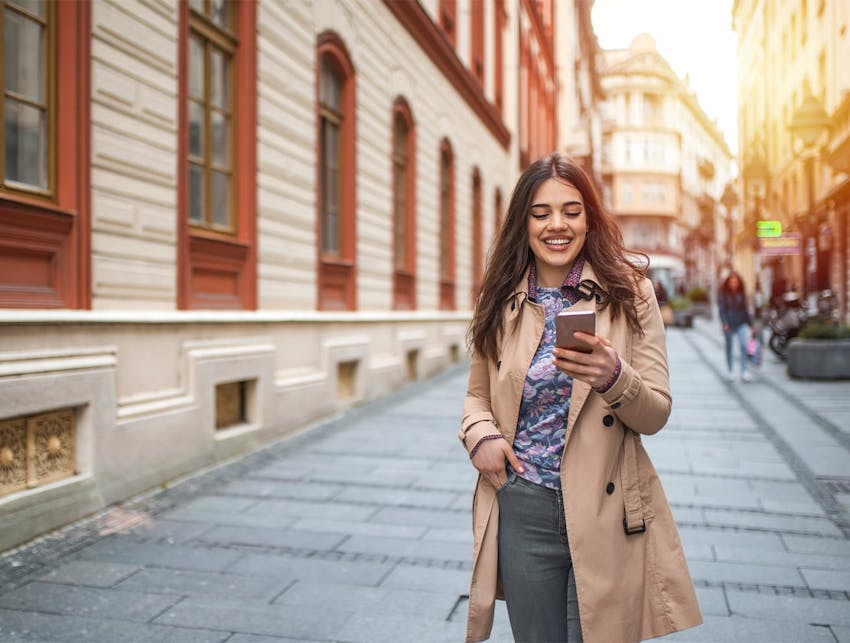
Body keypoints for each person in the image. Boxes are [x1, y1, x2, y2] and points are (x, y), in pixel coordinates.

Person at [459, 153, 701, 643]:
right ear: (522, 222)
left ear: (589, 217)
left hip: (606, 504)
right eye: (541, 212)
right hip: (523, 502)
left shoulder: (630, 293)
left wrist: (615, 377)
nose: (557, 225)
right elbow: (476, 396)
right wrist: (479, 436)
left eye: (571, 210)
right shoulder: (501, 296)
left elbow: (655, 412)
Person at [717, 272, 753, 382]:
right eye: (732, 282)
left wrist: (751, 325)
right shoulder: (723, 293)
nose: (734, 284)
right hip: (728, 323)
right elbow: (721, 309)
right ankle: (730, 370)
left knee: (743, 345)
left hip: (741, 322)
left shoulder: (741, 293)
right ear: (728, 283)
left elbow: (745, 310)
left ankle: (744, 371)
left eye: (736, 282)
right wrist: (724, 323)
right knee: (729, 347)